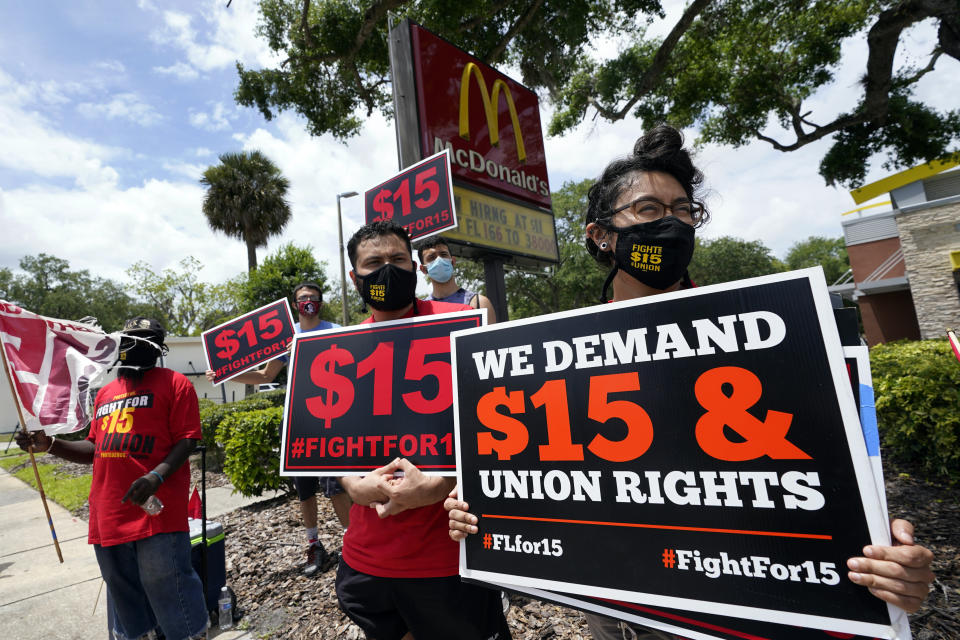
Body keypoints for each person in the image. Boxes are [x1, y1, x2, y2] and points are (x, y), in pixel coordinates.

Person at [445, 125, 935, 639]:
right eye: (649, 211)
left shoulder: (775, 334)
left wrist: (887, 547)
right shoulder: (554, 360)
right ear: (601, 236)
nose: (672, 224)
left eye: (683, 211)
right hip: (612, 610)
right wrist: (482, 512)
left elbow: (840, 466)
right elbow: (537, 478)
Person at [335, 220, 511, 640]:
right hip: (366, 562)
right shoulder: (339, 350)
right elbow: (328, 443)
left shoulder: (462, 325)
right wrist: (350, 484)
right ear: (353, 277)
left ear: (415, 267)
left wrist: (440, 485)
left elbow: (501, 427)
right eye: (373, 263)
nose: (387, 270)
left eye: (397, 260)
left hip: (449, 559)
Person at [17, 317, 208, 640]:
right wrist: (48, 444)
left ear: (158, 348)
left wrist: (155, 476)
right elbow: (94, 446)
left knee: (168, 585)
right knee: (123, 592)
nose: (136, 346)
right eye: (130, 339)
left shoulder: (176, 383)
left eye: (146, 340)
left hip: (156, 510)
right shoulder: (105, 393)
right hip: (109, 512)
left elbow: (187, 439)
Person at [205, 282, 351, 575]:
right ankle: (314, 545)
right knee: (305, 489)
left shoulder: (336, 331)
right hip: (298, 418)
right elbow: (264, 375)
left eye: (312, 297)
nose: (307, 301)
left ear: (320, 302)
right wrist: (226, 375)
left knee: (336, 485)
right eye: (302, 298)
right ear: (295, 304)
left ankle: (353, 544)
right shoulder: (287, 336)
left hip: (332, 417)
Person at [416, 235, 497, 323]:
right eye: (431, 257)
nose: (439, 260)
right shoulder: (420, 310)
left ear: (453, 261)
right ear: (423, 269)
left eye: (443, 254)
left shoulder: (479, 304)